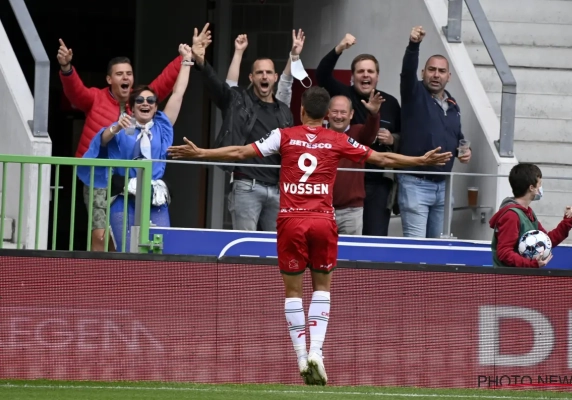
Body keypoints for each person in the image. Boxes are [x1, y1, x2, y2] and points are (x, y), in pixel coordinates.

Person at [168, 86, 452, 385]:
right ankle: (317, 351)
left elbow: (240, 151)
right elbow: (380, 158)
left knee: (293, 291)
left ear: (301, 110)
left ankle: (302, 357)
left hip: (291, 221)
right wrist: (420, 161)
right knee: (322, 288)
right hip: (322, 221)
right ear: (327, 114)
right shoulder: (337, 139)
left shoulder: (284, 136)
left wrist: (201, 152)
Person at [57, 33, 187, 251]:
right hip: (100, 176)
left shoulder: (140, 105)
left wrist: (184, 59)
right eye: (119, 74)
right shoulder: (95, 98)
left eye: (129, 73)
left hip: (133, 182)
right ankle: (104, 270)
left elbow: (167, 86)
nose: (125, 77)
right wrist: (66, 68)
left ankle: (121, 268)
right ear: (109, 79)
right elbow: (75, 92)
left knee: (131, 240)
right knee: (101, 236)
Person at [192, 25, 295, 232]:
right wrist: (201, 62)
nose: (264, 76)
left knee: (275, 247)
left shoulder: (284, 111)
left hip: (277, 189)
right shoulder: (238, 101)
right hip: (247, 186)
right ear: (251, 77)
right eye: (259, 73)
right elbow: (221, 88)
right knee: (245, 245)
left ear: (275, 77)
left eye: (268, 72)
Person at [316, 33, 402, 236]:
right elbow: (322, 74)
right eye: (360, 71)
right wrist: (339, 48)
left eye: (370, 71)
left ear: (377, 76)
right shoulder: (344, 95)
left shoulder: (390, 103)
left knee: (374, 239)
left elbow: (404, 135)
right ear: (352, 76)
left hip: (378, 182)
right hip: (347, 181)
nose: (365, 75)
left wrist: (393, 139)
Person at [397, 26, 472, 238]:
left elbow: (456, 136)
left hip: (444, 186)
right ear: (423, 73)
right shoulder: (414, 93)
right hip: (415, 183)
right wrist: (414, 45)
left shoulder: (452, 103)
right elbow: (407, 72)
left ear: (449, 76)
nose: (436, 75)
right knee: (416, 248)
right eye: (431, 70)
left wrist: (465, 150)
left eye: (441, 71)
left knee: (439, 247)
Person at [489, 163, 572, 268]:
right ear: (531, 188)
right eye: (539, 184)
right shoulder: (511, 216)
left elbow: (547, 241)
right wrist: (531, 264)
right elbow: (504, 253)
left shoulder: (528, 213)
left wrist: (568, 220)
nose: (541, 187)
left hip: (522, 275)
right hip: (509, 276)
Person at [329, 94, 381, 234]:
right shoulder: (320, 134)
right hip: (323, 210)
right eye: (335, 111)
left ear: (351, 114)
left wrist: (374, 114)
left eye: (343, 112)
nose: (338, 116)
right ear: (328, 113)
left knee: (350, 249)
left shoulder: (358, 133)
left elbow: (370, 133)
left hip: (351, 211)